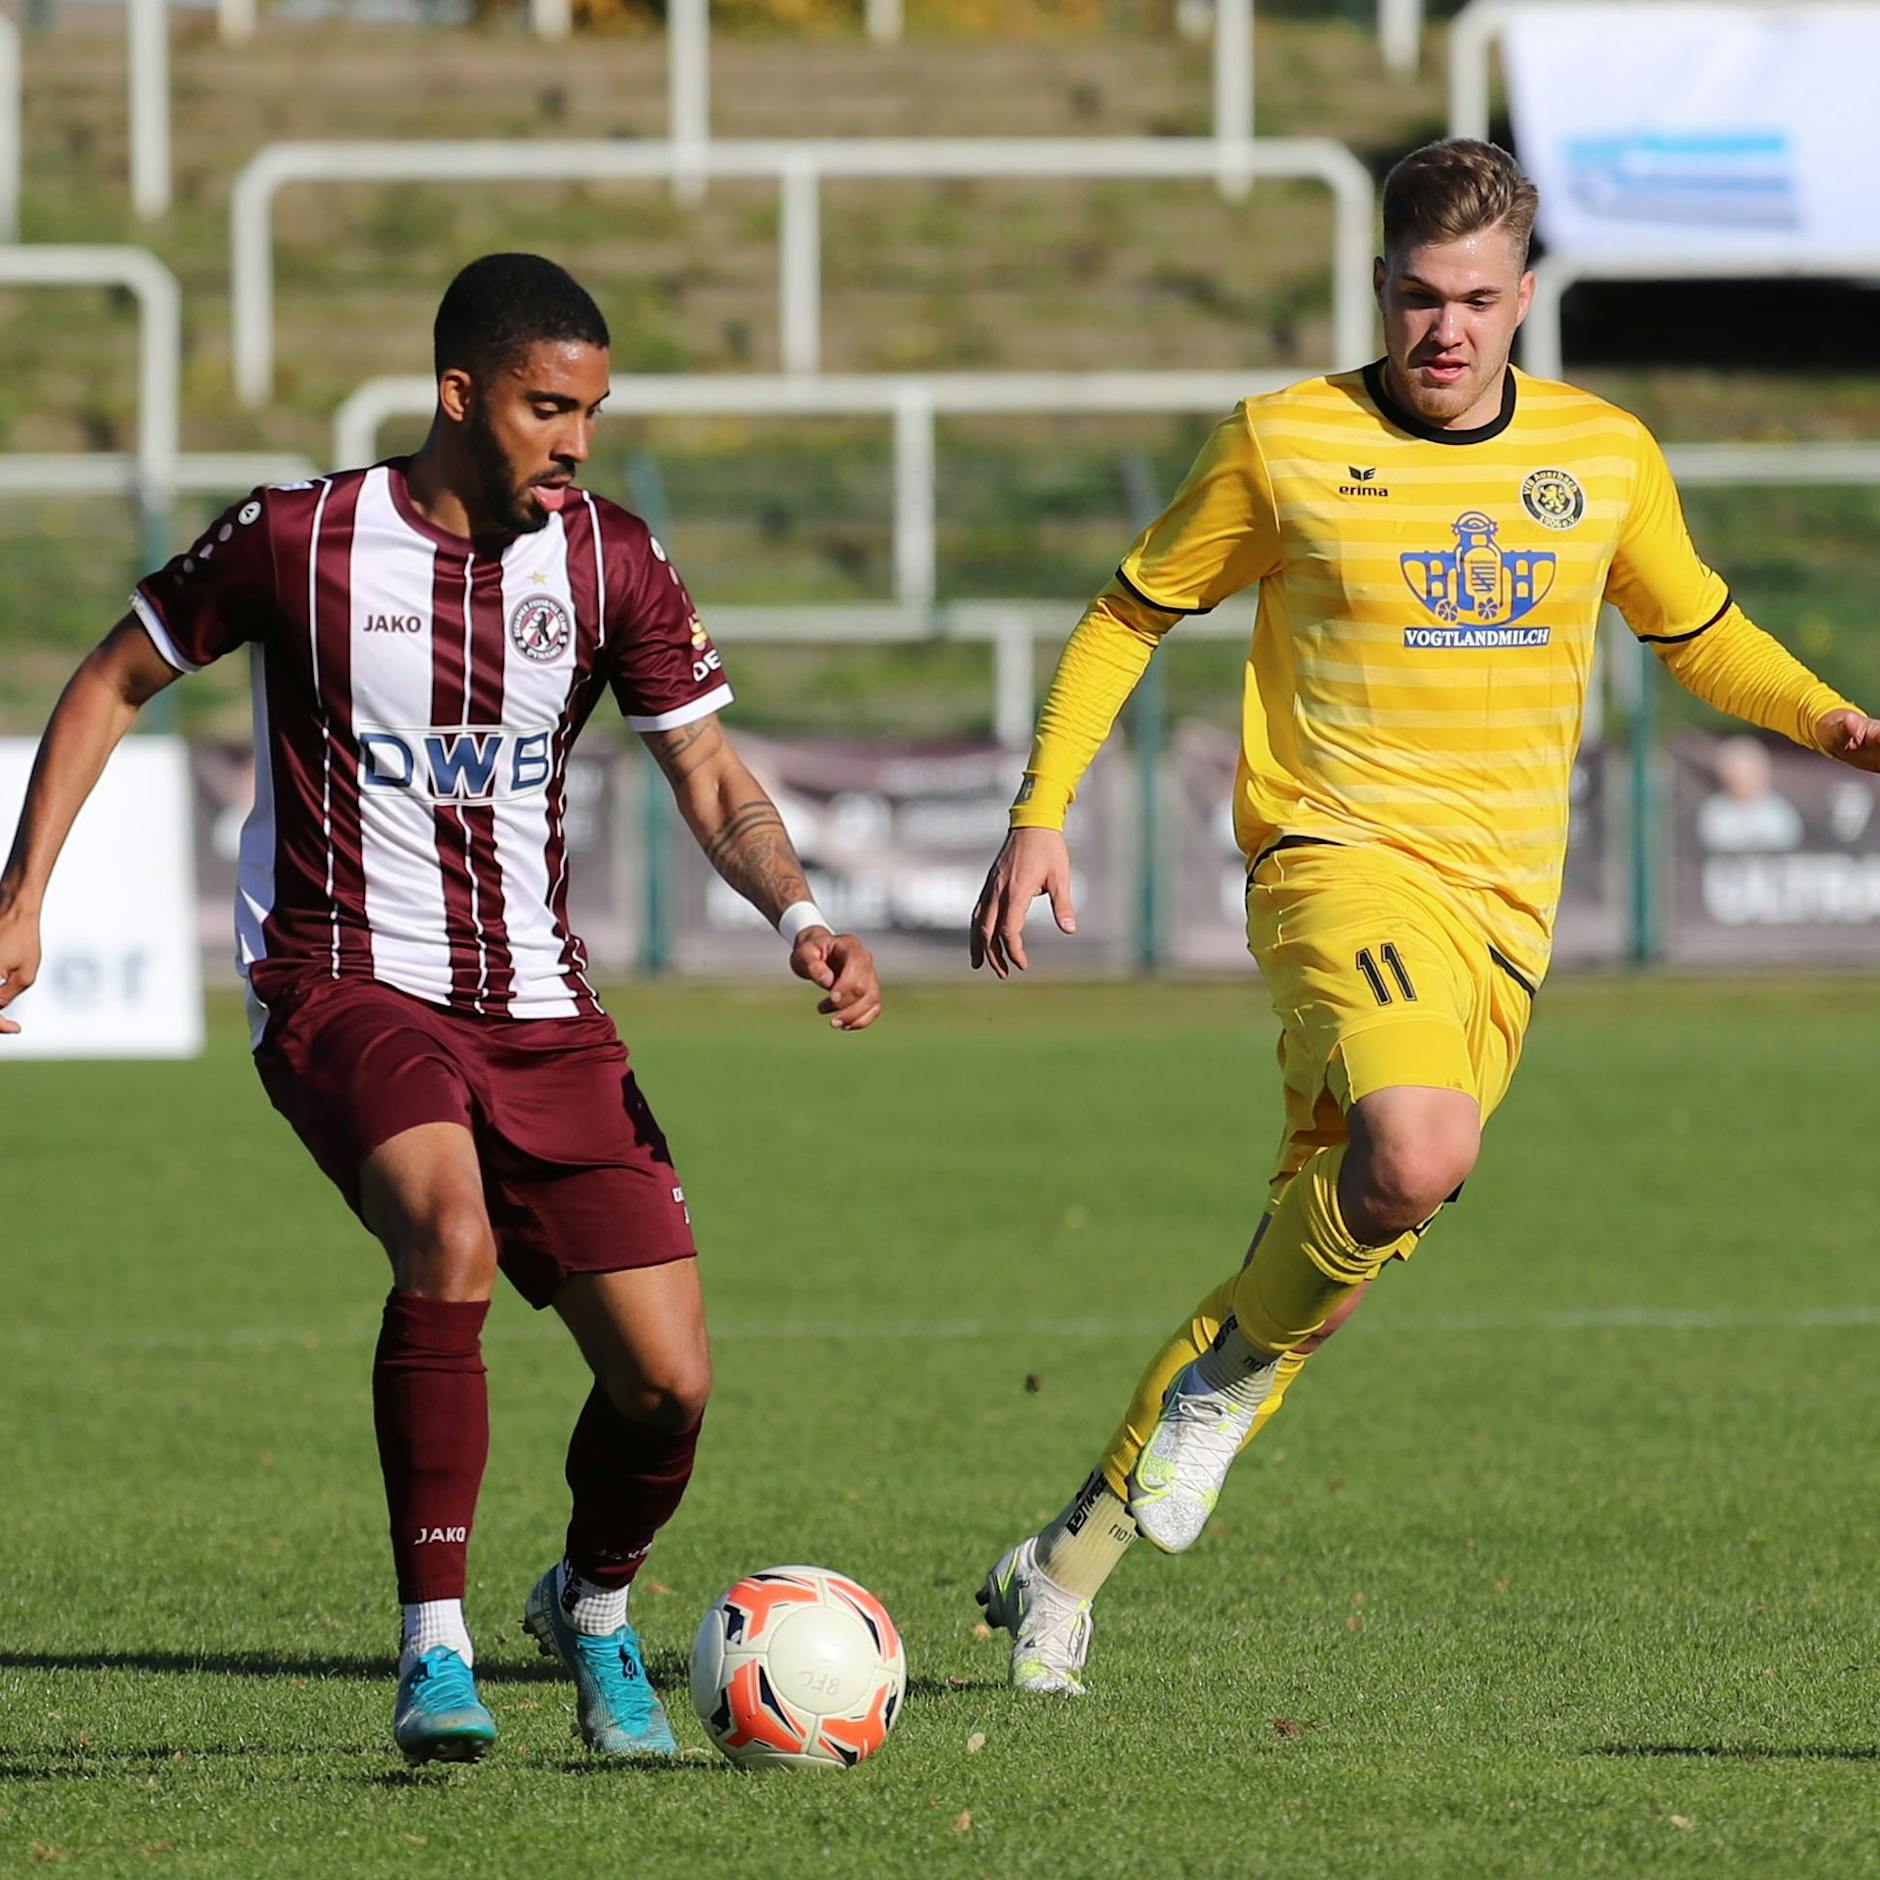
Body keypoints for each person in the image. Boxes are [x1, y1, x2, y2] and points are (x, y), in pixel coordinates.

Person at [966, 139, 1880, 1696]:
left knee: (1344, 1224)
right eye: (1413, 297)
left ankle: (1072, 1557)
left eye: (1475, 300)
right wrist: (1041, 808)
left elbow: (1700, 631)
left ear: (1525, 297)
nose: (1443, 332)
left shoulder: (1602, 456)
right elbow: (1131, 610)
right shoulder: (1284, 445)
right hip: (1335, 862)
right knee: (1419, 1151)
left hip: (1504, 918)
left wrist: (1833, 724)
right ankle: (1204, 1413)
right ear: (1376, 289)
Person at [0, 253, 881, 1763]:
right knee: (449, 1236)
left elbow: (710, 774)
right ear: (459, 394)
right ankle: (435, 1646)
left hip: (541, 1006)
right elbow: (107, 680)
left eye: (594, 410)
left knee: (666, 1385)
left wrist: (797, 911)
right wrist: (22, 901)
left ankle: (594, 1612)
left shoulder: (609, 562)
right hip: (340, 977)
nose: (576, 441)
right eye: (549, 407)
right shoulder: (302, 538)